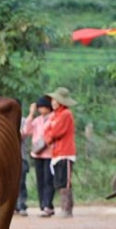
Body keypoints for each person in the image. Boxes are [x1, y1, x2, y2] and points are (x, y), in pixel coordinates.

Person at [44, 86, 77, 218]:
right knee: (59, 181)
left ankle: (67, 209)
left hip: (65, 152)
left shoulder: (65, 114)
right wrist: (49, 134)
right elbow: (47, 133)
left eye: (55, 100)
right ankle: (64, 208)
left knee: (65, 182)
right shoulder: (55, 115)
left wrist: (49, 133)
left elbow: (55, 132)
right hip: (57, 153)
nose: (52, 102)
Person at [24, 96, 55, 217]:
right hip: (37, 154)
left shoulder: (53, 118)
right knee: (40, 180)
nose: (41, 109)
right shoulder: (37, 120)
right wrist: (31, 113)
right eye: (39, 107)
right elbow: (26, 130)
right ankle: (43, 204)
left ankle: (48, 204)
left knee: (48, 180)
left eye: (43, 107)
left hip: (49, 153)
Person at [15, 100, 31, 216]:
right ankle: (13, 207)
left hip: (21, 157)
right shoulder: (3, 120)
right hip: (8, 160)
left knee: (21, 183)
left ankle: (22, 205)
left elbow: (23, 134)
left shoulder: (24, 121)